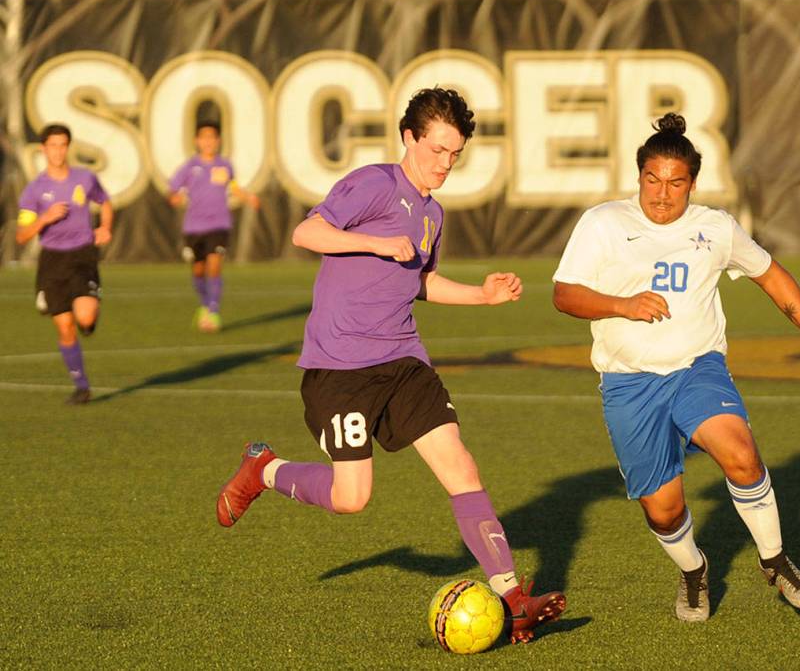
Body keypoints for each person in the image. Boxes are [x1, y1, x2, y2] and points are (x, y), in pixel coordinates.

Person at [215, 88, 566, 643]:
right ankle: (264, 470)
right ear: (409, 137)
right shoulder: (375, 183)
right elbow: (306, 232)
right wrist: (376, 244)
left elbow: (418, 279)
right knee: (352, 498)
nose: (445, 164)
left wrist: (482, 295)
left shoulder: (432, 212)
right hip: (339, 367)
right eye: (437, 150)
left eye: (455, 154)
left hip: (403, 360)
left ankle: (514, 598)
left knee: (462, 469)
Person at [551, 113, 800, 622]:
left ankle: (777, 561)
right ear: (639, 177)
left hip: (697, 368)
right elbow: (564, 295)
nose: (662, 193)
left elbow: (771, 275)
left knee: (741, 454)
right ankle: (695, 571)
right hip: (629, 384)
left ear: (692, 184)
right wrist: (623, 304)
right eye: (652, 179)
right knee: (664, 509)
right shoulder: (604, 222)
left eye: (676, 183)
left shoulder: (715, 228)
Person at [15, 123, 114, 405]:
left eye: (62, 145)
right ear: (43, 149)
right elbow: (22, 235)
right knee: (65, 328)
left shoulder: (85, 178)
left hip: (82, 255)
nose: (57, 151)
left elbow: (105, 202)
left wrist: (105, 226)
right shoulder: (34, 190)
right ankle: (81, 386)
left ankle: (90, 317)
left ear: (68, 148)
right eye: (52, 145)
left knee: (84, 318)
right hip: (52, 262)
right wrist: (44, 218)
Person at [167, 121, 259, 332]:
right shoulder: (190, 167)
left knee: (215, 265)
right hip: (193, 227)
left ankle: (213, 311)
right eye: (204, 137)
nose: (208, 142)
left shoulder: (225, 165)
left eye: (212, 137)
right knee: (199, 270)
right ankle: (204, 304)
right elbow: (173, 190)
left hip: (219, 224)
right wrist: (175, 198)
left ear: (218, 141)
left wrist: (247, 197)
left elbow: (233, 187)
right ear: (196, 141)